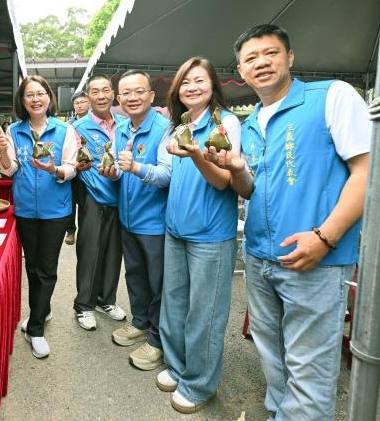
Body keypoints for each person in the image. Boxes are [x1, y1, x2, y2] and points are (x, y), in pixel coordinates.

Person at [208, 24, 371, 420]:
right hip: (260, 257)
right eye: (251, 58)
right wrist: (237, 170)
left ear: (290, 57)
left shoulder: (331, 96)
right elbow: (250, 189)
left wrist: (324, 238)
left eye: (271, 53)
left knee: (310, 368)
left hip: (316, 259)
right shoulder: (250, 124)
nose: (261, 63)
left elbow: (368, 171)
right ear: (240, 71)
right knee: (273, 356)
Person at [156, 57, 241, 414]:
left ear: (213, 85)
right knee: (174, 303)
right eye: (185, 82)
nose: (192, 87)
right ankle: (178, 367)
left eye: (199, 80)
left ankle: (199, 384)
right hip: (176, 228)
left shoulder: (226, 123)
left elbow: (224, 181)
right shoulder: (179, 125)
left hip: (210, 234)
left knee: (205, 313)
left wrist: (195, 155)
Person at [0, 75, 78, 359]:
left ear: (49, 97)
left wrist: (55, 170)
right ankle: (41, 310)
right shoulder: (14, 130)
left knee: (47, 268)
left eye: (40, 93)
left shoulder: (64, 130)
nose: (35, 99)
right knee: (31, 266)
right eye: (29, 94)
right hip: (26, 210)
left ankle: (36, 329)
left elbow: (72, 167)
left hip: (56, 210)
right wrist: (3, 151)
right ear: (22, 100)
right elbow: (9, 169)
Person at [101, 69, 171, 370]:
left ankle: (157, 339)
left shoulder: (165, 128)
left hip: (155, 222)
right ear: (119, 99)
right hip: (128, 219)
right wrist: (114, 172)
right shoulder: (123, 129)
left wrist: (136, 168)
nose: (132, 97)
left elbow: (167, 175)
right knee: (135, 277)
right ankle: (140, 322)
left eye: (139, 91)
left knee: (159, 284)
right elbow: (121, 168)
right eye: (126, 93)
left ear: (151, 96)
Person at [70, 74, 126, 331]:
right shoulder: (78, 128)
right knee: (90, 253)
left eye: (105, 90)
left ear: (113, 93)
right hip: (94, 197)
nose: (101, 96)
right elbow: (70, 161)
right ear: (88, 96)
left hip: (122, 198)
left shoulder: (125, 124)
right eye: (95, 91)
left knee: (114, 254)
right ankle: (84, 305)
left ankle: (106, 300)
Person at [64, 90, 91, 246]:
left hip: (88, 169)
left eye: (82, 102)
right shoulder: (68, 125)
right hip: (71, 167)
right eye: (76, 103)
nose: (80, 105)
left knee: (84, 202)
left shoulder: (94, 123)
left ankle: (84, 231)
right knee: (70, 200)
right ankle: (70, 230)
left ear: (89, 103)